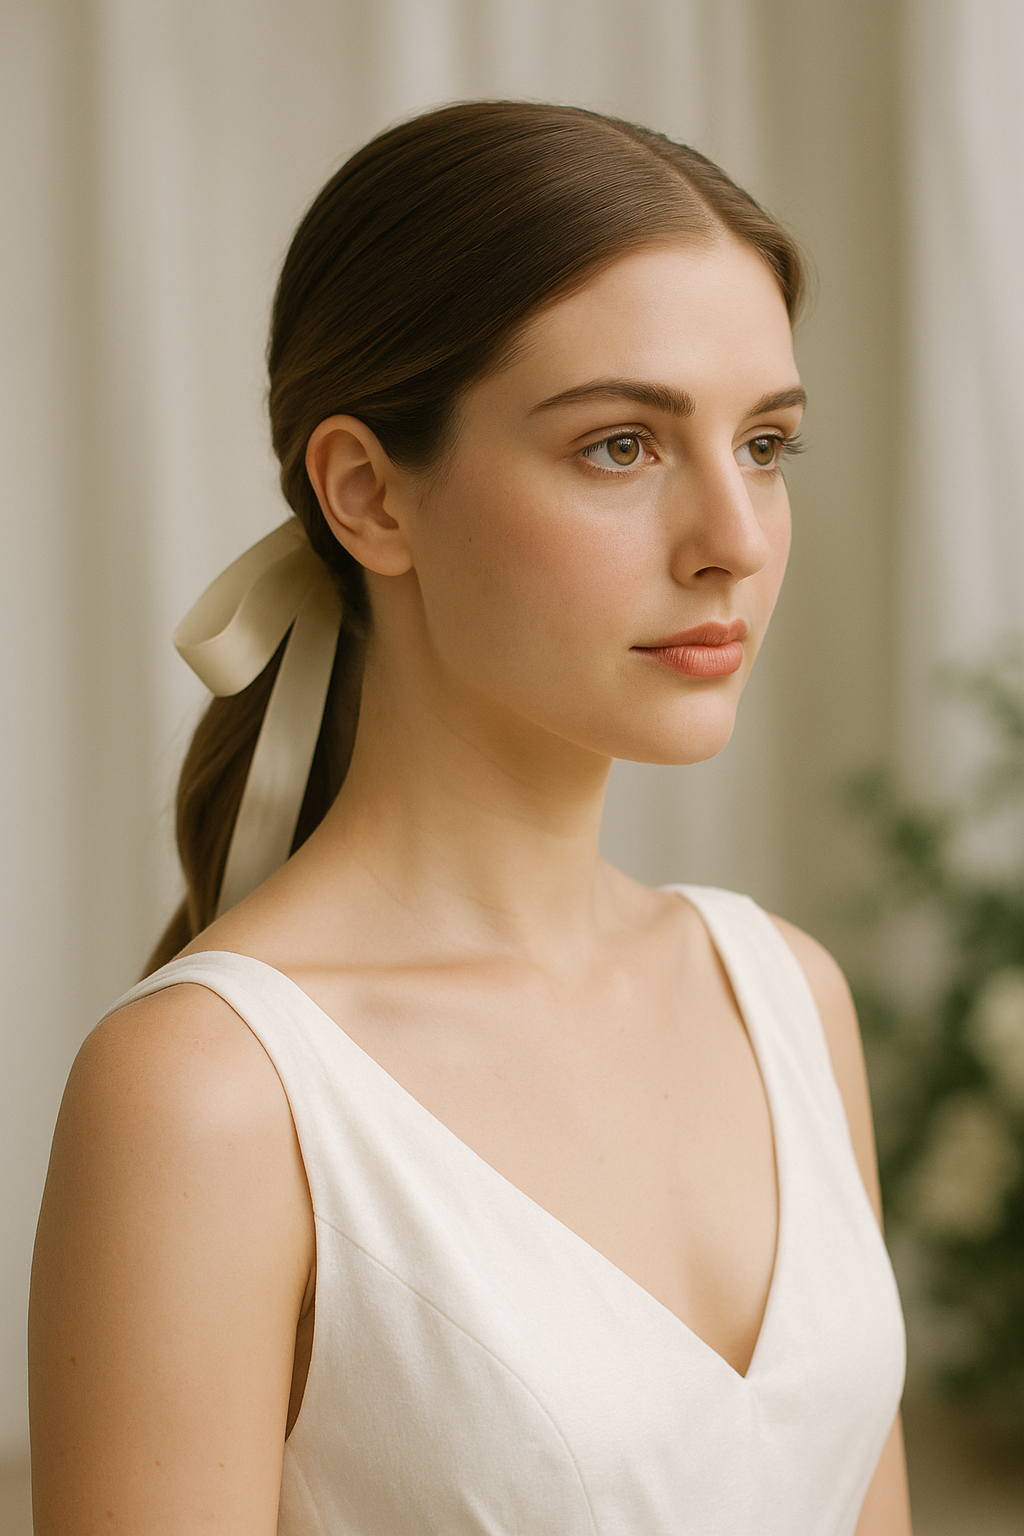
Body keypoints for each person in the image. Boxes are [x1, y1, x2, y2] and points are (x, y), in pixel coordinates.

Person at [28, 101, 910, 1534]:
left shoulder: (786, 997)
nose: (736, 542)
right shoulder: (208, 1096)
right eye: (622, 445)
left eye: (765, 443)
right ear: (369, 496)